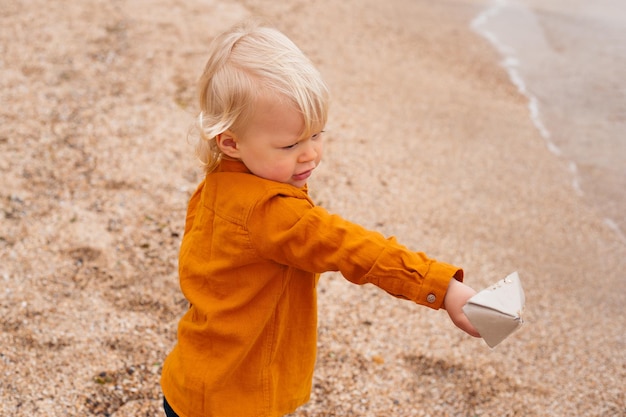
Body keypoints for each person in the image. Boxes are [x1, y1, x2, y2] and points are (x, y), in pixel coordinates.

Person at [160, 21, 480, 417]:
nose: (310, 153)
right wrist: (442, 288)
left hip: (191, 382)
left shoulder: (217, 186)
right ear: (230, 141)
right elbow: (354, 247)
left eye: (316, 134)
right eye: (290, 144)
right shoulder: (273, 213)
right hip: (238, 400)